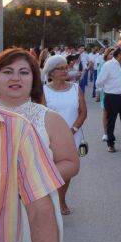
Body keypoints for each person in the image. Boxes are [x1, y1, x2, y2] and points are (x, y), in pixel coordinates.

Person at [0, 41, 64, 242]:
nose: (16, 78)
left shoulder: (18, 130)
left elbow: (40, 210)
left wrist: (30, 179)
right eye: (8, 72)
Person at [43, 54, 87, 216]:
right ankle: (50, 201)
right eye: (60, 68)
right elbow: (42, 116)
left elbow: (83, 112)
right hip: (51, 138)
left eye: (65, 67)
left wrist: (73, 130)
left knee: (67, 170)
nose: (64, 70)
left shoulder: (76, 88)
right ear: (51, 72)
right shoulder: (44, 91)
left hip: (72, 136)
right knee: (52, 170)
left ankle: (61, 200)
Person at [96, 46, 121, 153]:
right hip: (111, 96)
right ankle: (110, 144)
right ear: (119, 55)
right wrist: (107, 90)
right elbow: (99, 82)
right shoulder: (108, 65)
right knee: (111, 121)